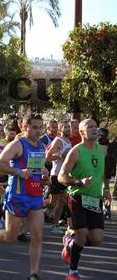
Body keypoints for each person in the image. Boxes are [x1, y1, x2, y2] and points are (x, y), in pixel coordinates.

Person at [0, 113, 49, 280]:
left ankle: (34, 274)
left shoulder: (41, 146)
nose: (38, 131)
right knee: (11, 237)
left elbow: (35, 169)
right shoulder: (18, 144)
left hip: (36, 196)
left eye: (40, 127)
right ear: (25, 128)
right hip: (17, 196)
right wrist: (18, 172)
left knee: (37, 235)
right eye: (34, 127)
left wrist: (43, 173)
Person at [58, 119, 111, 280]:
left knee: (96, 239)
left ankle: (71, 242)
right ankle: (72, 271)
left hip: (95, 199)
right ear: (81, 132)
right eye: (90, 127)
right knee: (82, 234)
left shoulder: (102, 150)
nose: (94, 129)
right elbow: (61, 176)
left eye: (96, 126)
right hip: (78, 197)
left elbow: (102, 173)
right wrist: (78, 181)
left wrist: (106, 189)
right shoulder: (76, 151)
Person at [46, 120, 72, 235]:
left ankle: (55, 225)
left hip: (64, 175)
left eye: (68, 127)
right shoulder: (58, 140)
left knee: (62, 201)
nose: (67, 129)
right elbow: (48, 157)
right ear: (60, 129)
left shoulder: (69, 142)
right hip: (56, 175)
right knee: (53, 202)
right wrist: (61, 155)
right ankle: (37, 209)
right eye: (65, 127)